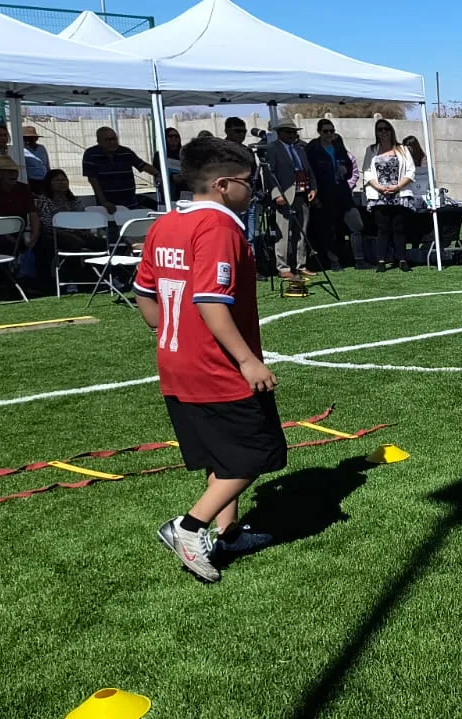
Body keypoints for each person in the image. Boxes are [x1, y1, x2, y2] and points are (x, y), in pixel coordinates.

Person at [133, 136, 285, 584]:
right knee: (257, 454)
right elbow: (211, 301)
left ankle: (229, 532)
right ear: (222, 185)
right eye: (247, 184)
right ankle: (189, 527)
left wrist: (170, 334)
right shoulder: (219, 228)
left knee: (224, 453)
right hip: (216, 366)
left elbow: (144, 294)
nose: (252, 192)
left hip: (177, 361)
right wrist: (247, 360)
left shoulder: (165, 224)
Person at [262, 121, 318, 280]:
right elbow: (269, 174)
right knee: (284, 232)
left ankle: (301, 264)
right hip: (284, 196)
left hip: (302, 194)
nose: (293, 135)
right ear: (280, 133)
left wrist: (313, 188)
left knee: (302, 232)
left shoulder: (300, 149)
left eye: (294, 133)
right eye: (289, 132)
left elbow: (308, 170)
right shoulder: (273, 149)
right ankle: (283, 267)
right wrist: (276, 194)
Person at [361, 119, 416, 272]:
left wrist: (398, 187)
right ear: (376, 132)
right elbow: (366, 171)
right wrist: (378, 187)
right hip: (379, 195)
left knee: (399, 228)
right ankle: (381, 261)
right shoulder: (371, 150)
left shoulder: (403, 149)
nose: (383, 132)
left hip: (400, 193)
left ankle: (402, 259)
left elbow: (411, 171)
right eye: (380, 129)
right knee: (382, 229)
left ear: (391, 131)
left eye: (386, 129)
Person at [307, 119, 357, 270]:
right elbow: (309, 173)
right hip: (322, 194)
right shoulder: (312, 149)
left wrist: (346, 171)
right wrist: (314, 195)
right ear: (319, 132)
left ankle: (344, 258)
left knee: (342, 227)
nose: (329, 134)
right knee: (326, 230)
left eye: (331, 131)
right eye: (325, 131)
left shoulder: (338, 147)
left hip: (341, 194)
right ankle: (331, 260)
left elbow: (350, 169)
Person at [82, 126, 158, 211]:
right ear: (99, 141)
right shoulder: (90, 154)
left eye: (114, 139)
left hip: (130, 204)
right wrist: (104, 202)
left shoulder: (126, 152)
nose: (112, 142)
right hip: (107, 206)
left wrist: (159, 175)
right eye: (108, 140)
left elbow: (142, 165)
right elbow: (93, 180)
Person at [0, 155, 39, 251]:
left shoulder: (24, 188)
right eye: (9, 172)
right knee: (2, 244)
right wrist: (9, 238)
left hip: (19, 230)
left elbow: (33, 213)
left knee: (44, 241)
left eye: (15, 171)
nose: (13, 174)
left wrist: (35, 233)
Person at [401, 135, 432, 254]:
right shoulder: (403, 158)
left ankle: (417, 244)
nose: (407, 149)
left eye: (409, 146)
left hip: (420, 193)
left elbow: (424, 174)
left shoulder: (423, 159)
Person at [21, 126, 50, 192]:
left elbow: (47, 164)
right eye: (27, 138)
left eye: (32, 138)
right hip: (31, 180)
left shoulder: (41, 148)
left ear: (36, 138)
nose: (29, 140)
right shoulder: (21, 150)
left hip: (44, 179)